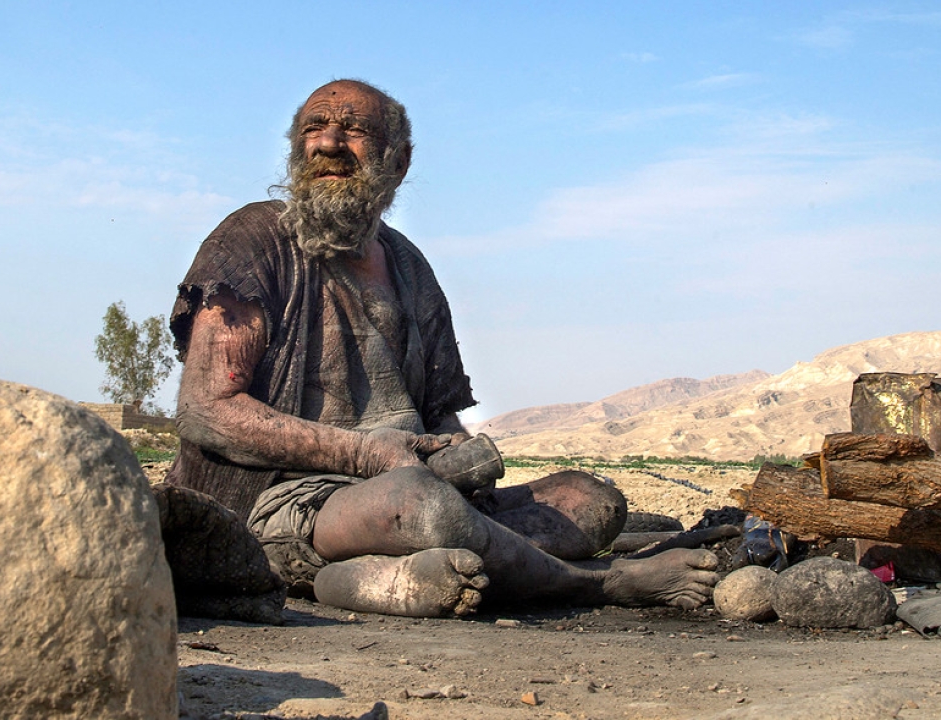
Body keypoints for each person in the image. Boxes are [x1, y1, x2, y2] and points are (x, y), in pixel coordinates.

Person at [163, 79, 718, 617]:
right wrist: (362, 454)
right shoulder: (252, 238)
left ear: (398, 162)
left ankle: (376, 579)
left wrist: (457, 452)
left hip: (407, 485)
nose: (329, 143)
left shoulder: (409, 266)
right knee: (421, 506)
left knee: (589, 501)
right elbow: (205, 411)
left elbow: (436, 413)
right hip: (286, 500)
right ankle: (597, 584)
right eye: (315, 127)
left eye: (353, 129)